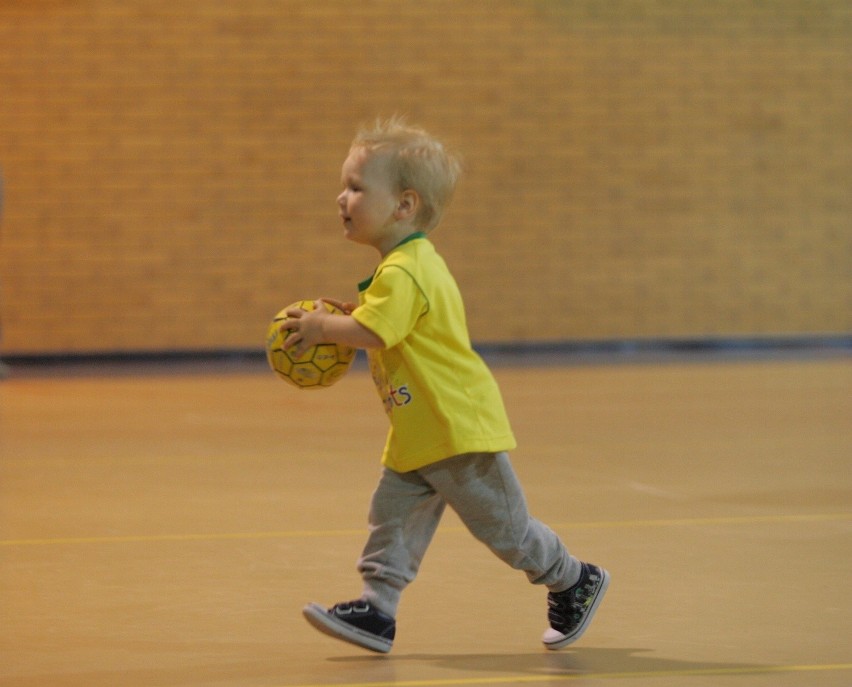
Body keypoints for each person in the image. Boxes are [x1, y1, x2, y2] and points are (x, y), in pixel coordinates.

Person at [280, 117, 609, 654]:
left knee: (505, 530)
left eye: (357, 187)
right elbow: (383, 321)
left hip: (457, 430)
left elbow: (375, 333)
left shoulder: (406, 271)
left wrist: (323, 327)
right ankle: (377, 610)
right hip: (419, 430)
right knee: (391, 521)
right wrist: (352, 313)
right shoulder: (404, 267)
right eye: (344, 185)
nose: (342, 197)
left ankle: (573, 577)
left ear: (404, 205)